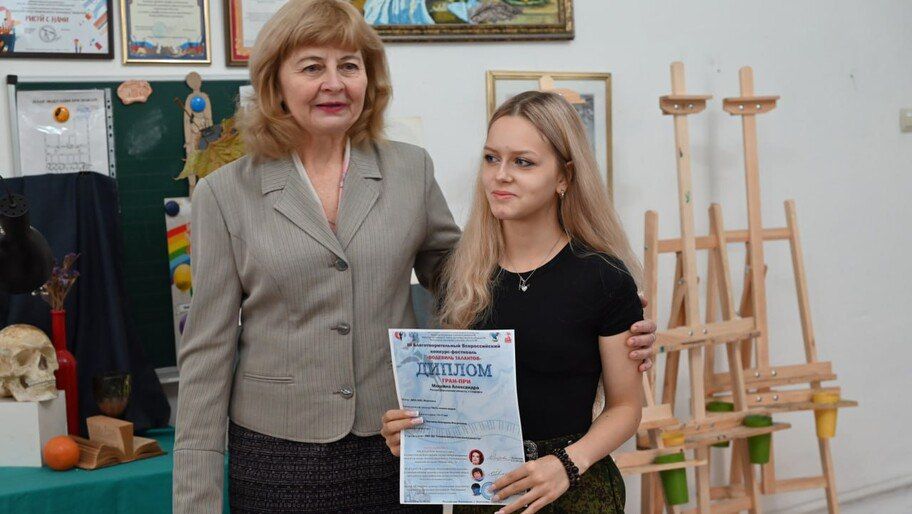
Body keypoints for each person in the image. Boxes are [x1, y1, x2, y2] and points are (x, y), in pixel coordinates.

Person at [174, 1, 658, 512]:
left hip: (402, 440)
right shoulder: (224, 194)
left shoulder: (409, 170)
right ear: (275, 83)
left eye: (349, 66)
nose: (334, 83)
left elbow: (460, 272)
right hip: (277, 454)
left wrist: (605, 317)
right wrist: (195, 502)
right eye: (312, 67)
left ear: (370, 79)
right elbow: (206, 355)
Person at [382, 91, 645, 513]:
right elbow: (455, 398)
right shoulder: (458, 274)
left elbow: (627, 407)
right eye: (491, 159)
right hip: (485, 494)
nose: (500, 175)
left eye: (523, 162)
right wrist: (414, 433)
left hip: (575, 490)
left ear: (564, 177)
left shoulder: (604, 277)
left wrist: (567, 464)